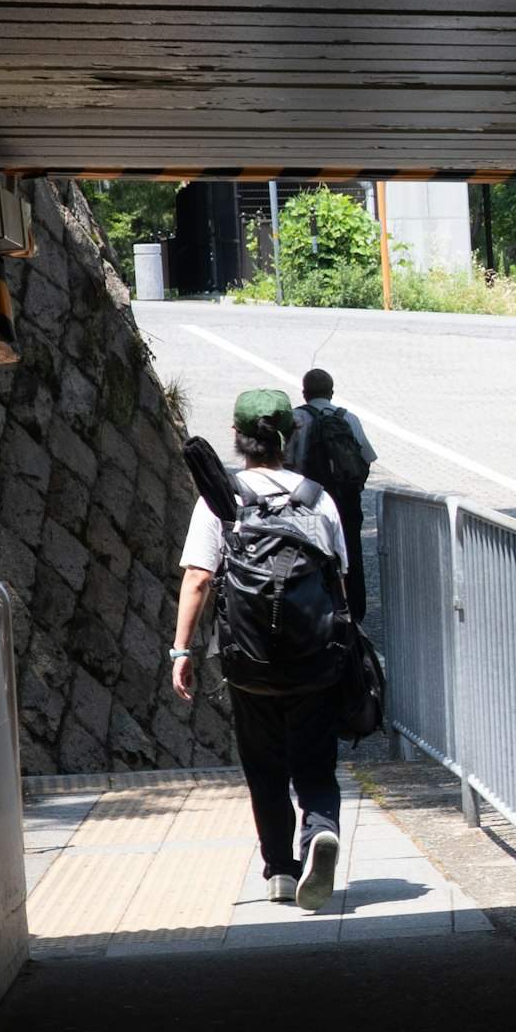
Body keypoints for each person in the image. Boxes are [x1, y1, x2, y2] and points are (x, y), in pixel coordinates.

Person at [174, 388, 353, 910]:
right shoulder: (318, 497)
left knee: (264, 765)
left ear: (237, 437)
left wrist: (181, 651)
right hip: (316, 661)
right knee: (315, 764)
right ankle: (319, 830)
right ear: (290, 436)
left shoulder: (220, 498)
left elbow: (198, 579)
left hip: (249, 663)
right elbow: (338, 579)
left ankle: (278, 869)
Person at [287, 366, 376, 616]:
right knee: (351, 554)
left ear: (304, 393)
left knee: (311, 556)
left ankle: (318, 612)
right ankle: (355, 615)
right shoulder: (348, 418)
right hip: (346, 499)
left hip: (309, 500)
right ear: (331, 392)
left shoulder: (295, 419)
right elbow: (367, 457)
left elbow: (287, 463)